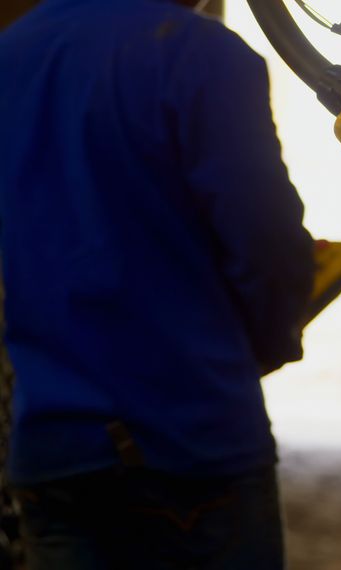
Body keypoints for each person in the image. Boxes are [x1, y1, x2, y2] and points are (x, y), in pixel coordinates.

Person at [0, 0, 314, 567]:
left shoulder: (12, 54)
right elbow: (268, 245)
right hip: (191, 442)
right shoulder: (200, 53)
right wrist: (270, 343)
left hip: (53, 452)